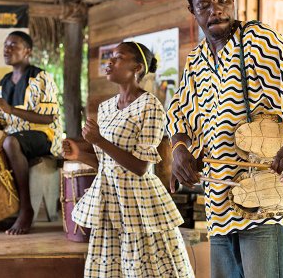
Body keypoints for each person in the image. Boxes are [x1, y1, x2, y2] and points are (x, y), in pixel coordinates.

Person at [166, 0, 283, 277]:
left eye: (223, 0)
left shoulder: (259, 40)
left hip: (263, 202)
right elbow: (180, 114)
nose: (217, 11)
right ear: (192, 10)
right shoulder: (196, 60)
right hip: (219, 203)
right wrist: (180, 149)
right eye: (205, 5)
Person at [63, 42, 194, 277]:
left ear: (137, 67)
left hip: (138, 203)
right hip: (109, 200)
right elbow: (107, 165)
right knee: (111, 268)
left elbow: (142, 167)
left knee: (146, 268)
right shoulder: (105, 108)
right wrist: (79, 154)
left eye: (119, 57)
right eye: (110, 57)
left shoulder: (150, 105)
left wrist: (98, 140)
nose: (110, 62)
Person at [0, 31, 62, 235]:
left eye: (13, 45)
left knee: (10, 143)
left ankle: (25, 208)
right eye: (5, 45)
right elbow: (0, 121)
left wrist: (11, 110)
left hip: (43, 134)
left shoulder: (41, 77)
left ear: (27, 51)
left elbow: (48, 118)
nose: (7, 49)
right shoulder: (4, 81)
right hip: (13, 134)